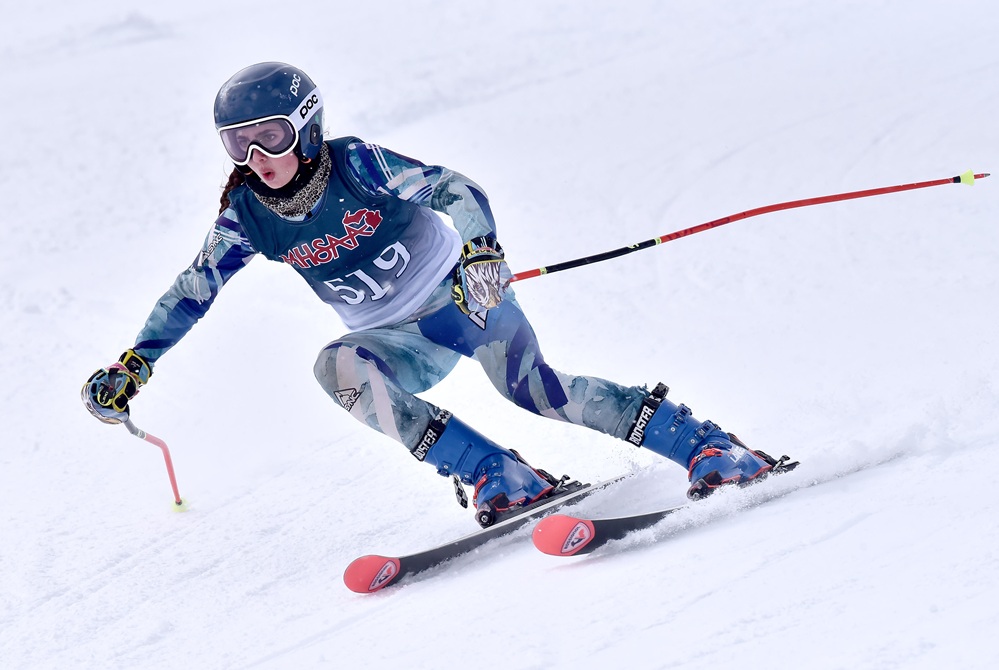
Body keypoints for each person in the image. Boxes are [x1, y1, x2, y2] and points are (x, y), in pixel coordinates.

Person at [82, 62, 781, 527]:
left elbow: (455, 189)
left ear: (308, 125)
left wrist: (480, 251)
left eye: (270, 136)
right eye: (238, 144)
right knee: (336, 366)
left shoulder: (355, 164)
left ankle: (706, 446)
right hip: (396, 339)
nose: (256, 158)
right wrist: (134, 364)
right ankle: (499, 474)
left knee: (532, 392)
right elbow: (192, 290)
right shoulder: (246, 216)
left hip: (462, 299)